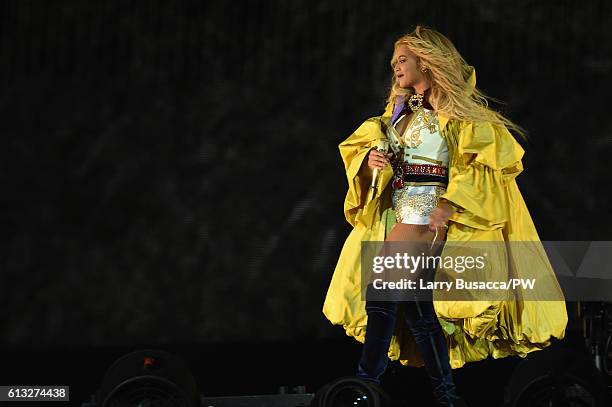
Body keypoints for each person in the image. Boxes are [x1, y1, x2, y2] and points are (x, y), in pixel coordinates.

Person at [322, 25, 568, 407]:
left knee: (383, 294)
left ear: (427, 61)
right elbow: (380, 164)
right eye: (393, 63)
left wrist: (450, 204)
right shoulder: (398, 113)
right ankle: (445, 397)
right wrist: (373, 163)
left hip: (427, 210)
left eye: (402, 60)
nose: (396, 68)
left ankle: (363, 384)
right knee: (418, 309)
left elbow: (481, 169)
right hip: (400, 208)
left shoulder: (462, 117)